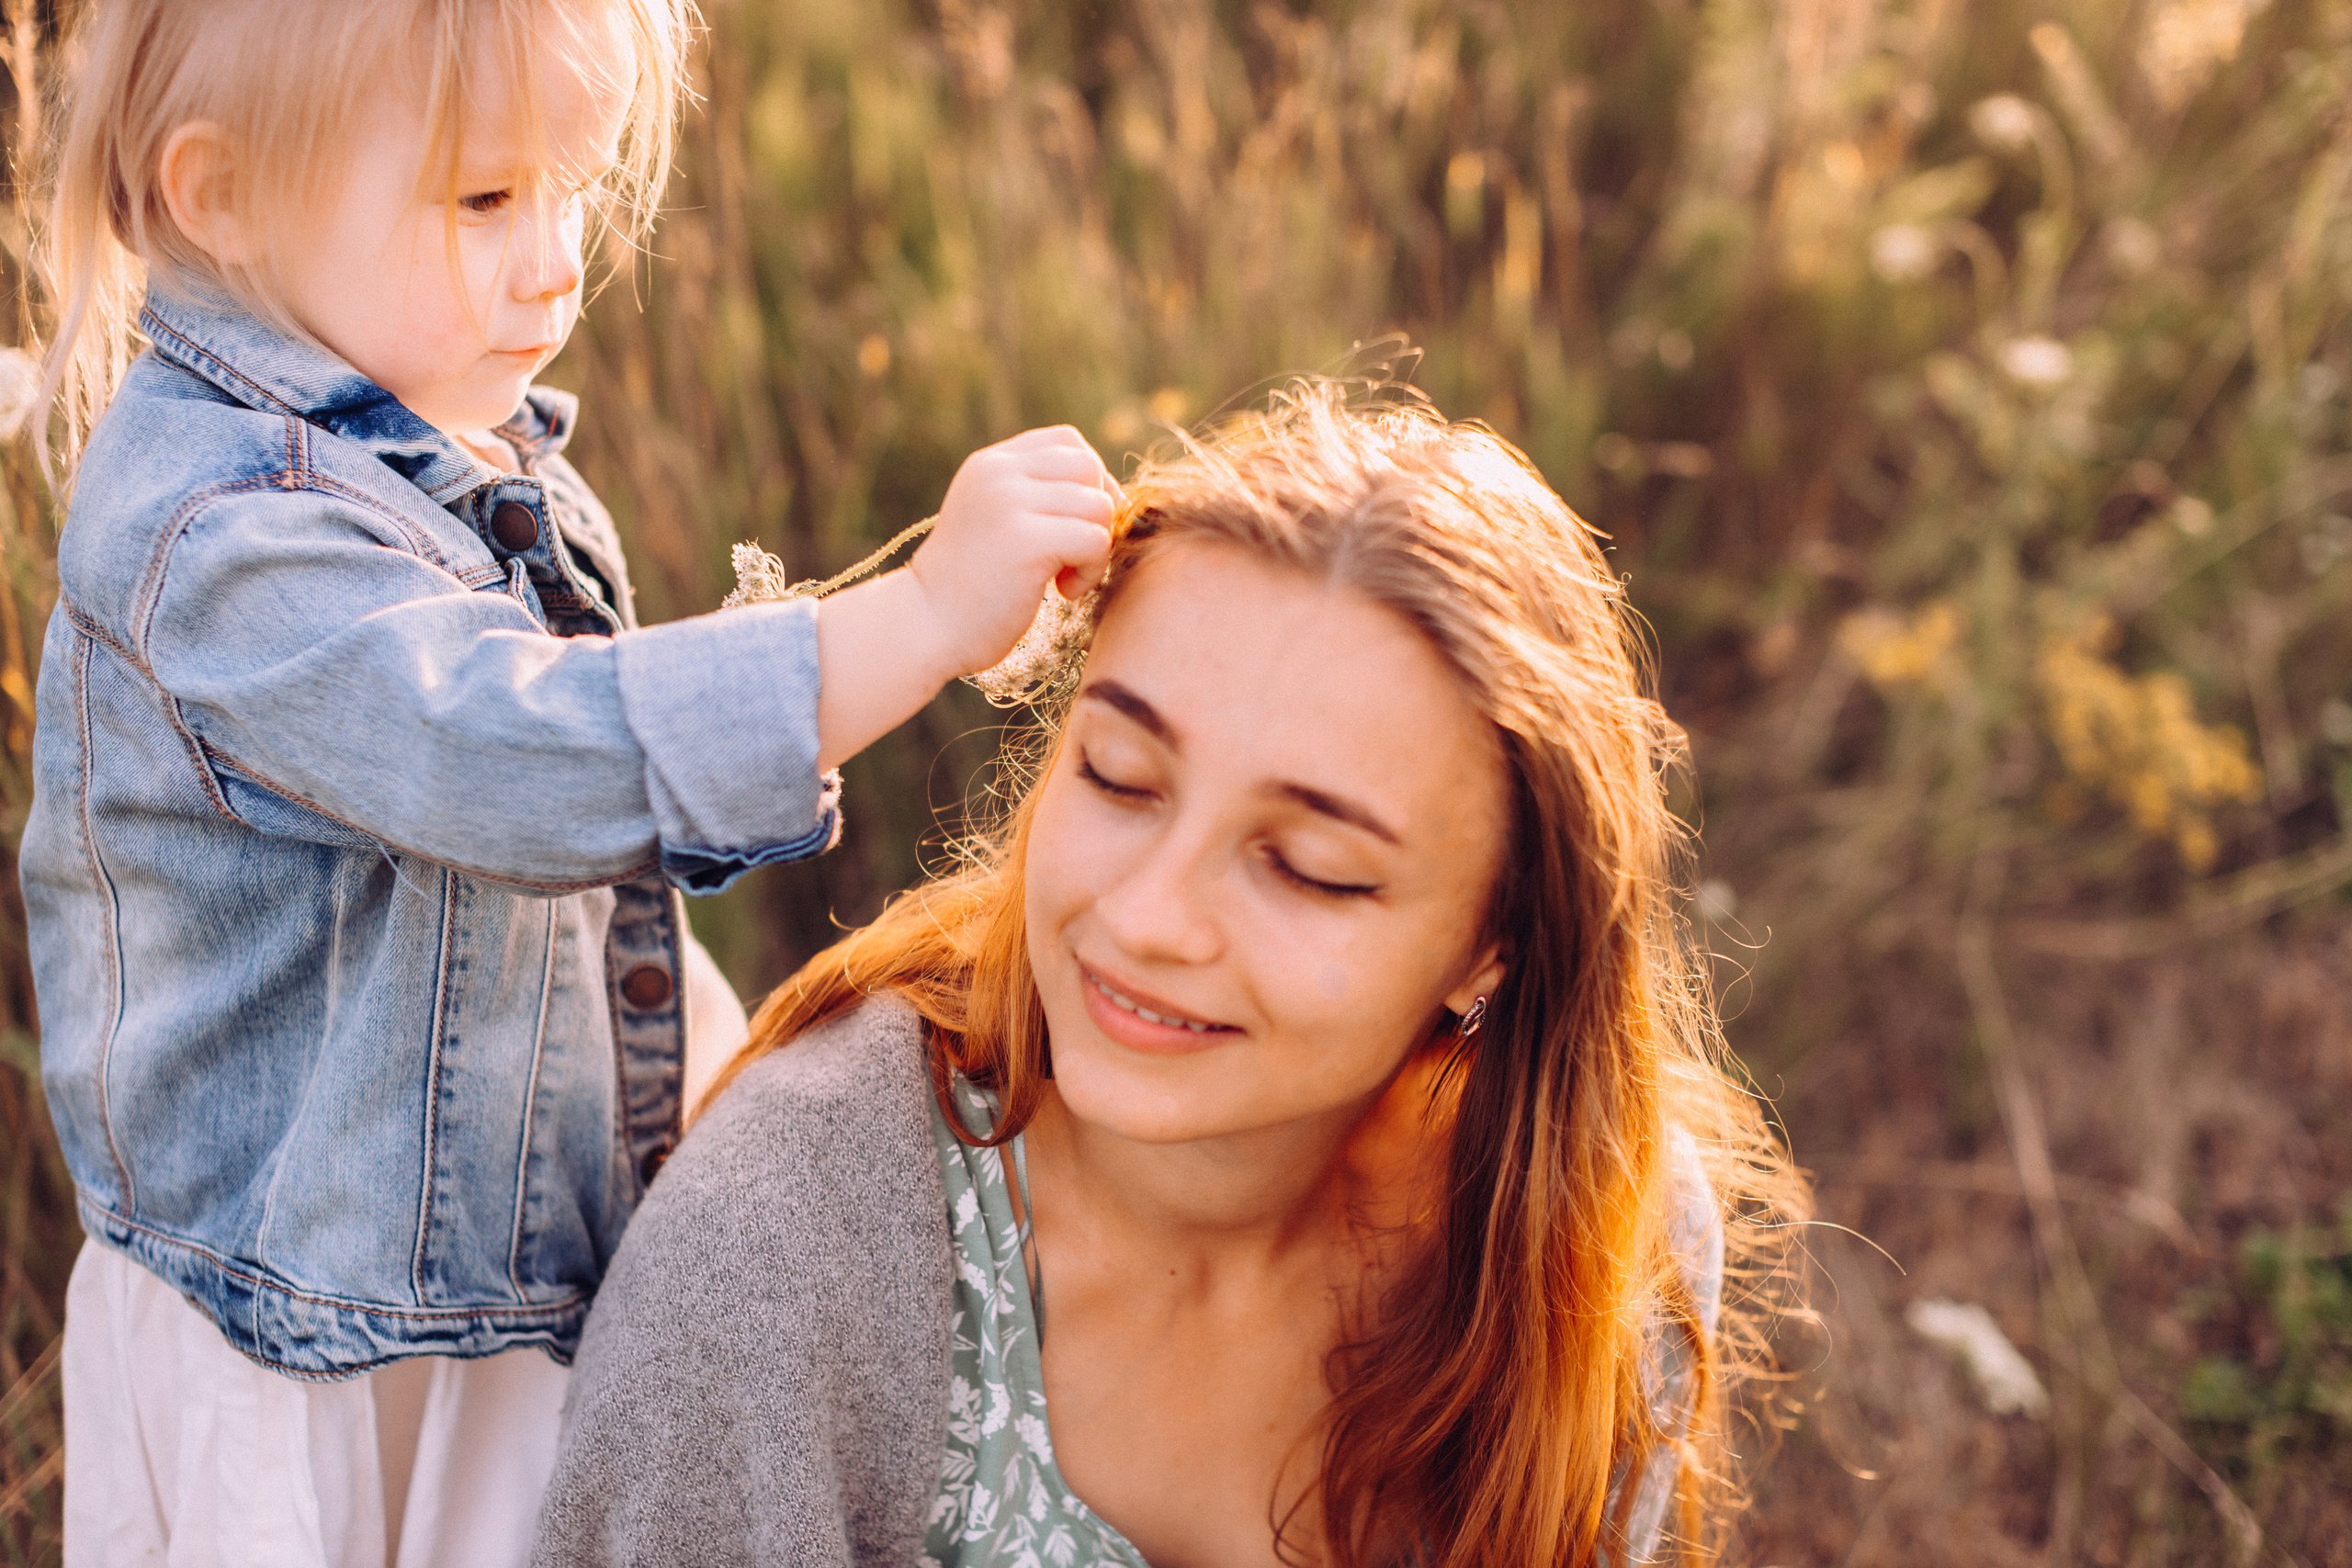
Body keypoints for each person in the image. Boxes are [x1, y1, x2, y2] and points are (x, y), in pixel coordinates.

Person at [22, 2, 1116, 1562]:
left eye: (577, 191)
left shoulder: (443, 444)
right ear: (225, 193)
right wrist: (921, 616)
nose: (555, 264)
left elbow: (574, 929)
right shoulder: (220, 537)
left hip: (482, 1294)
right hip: (311, 1352)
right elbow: (526, 762)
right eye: (485, 198)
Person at [533, 384, 1809, 1567]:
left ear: (1498, 943)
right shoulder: (779, 1260)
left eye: (1308, 867)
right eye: (1120, 778)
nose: (1146, 919)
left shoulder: (1594, 1241)